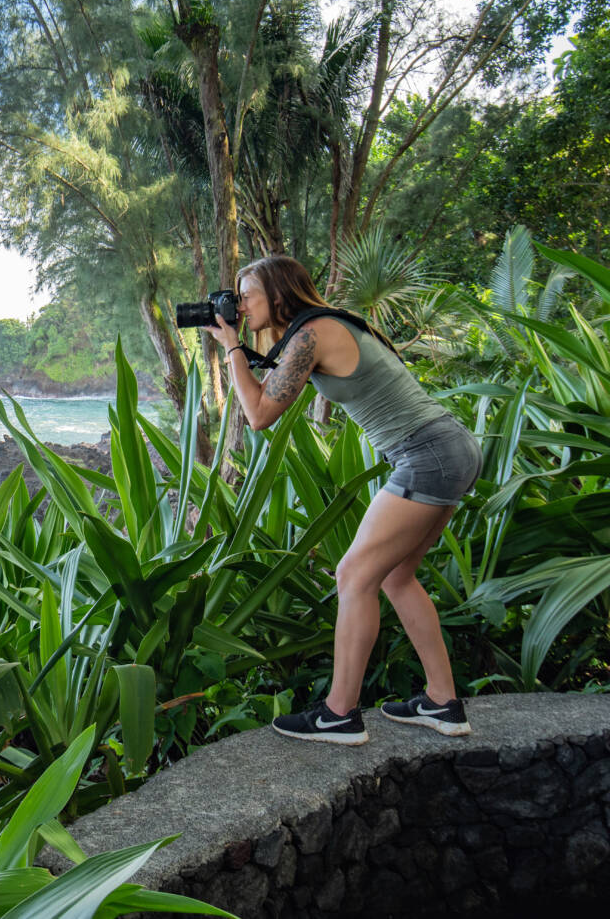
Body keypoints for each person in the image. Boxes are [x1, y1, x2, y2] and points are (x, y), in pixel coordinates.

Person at [204, 255, 481, 745]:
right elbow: (264, 395)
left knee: (354, 576)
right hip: (444, 448)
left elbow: (259, 415)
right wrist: (240, 348)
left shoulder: (315, 332)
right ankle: (443, 702)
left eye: (247, 295)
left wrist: (231, 350)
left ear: (279, 293)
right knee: (396, 577)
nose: (241, 305)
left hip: (426, 453)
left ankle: (339, 714)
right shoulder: (312, 332)